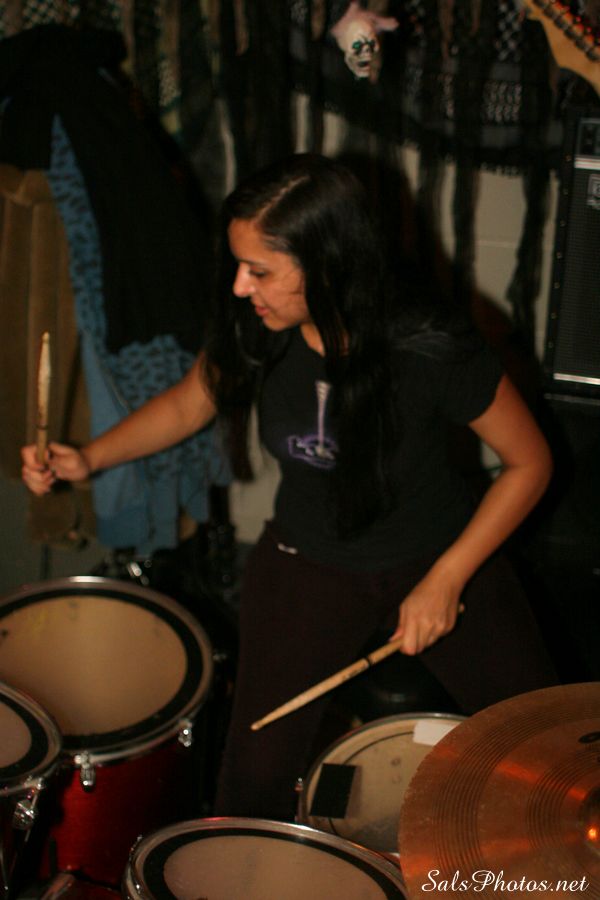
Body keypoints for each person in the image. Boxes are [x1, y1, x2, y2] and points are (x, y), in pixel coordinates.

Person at [22, 153, 558, 822]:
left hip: (442, 551)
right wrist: (88, 458)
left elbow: (530, 463)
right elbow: (190, 403)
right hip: (308, 560)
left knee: (545, 749)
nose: (240, 287)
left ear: (328, 265)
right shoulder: (258, 327)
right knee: (251, 777)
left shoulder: (428, 342)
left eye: (260, 271)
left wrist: (448, 578)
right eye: (239, 267)